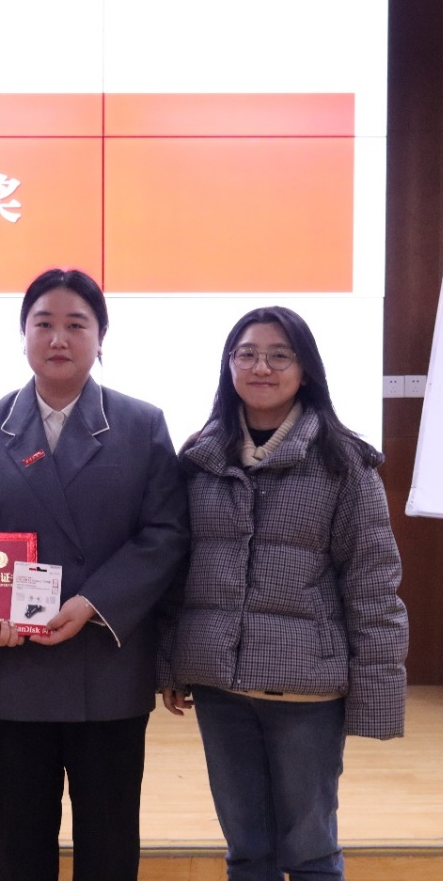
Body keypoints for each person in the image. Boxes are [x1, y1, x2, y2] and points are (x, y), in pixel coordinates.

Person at [0, 268, 190, 881]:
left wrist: (94, 602)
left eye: (77, 324)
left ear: (101, 337)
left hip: (107, 663)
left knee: (109, 847)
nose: (58, 338)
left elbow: (165, 534)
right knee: (21, 846)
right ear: (22, 334)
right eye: (43, 323)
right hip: (13, 665)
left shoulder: (141, 424)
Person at [158, 306, 409, 881]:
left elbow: (374, 585)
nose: (261, 367)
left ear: (305, 369)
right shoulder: (199, 458)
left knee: (311, 853)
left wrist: (375, 695)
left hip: (307, 692)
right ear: (229, 366)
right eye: (246, 354)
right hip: (219, 686)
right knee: (246, 851)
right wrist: (169, 662)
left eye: (279, 355)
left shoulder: (344, 462)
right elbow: (174, 574)